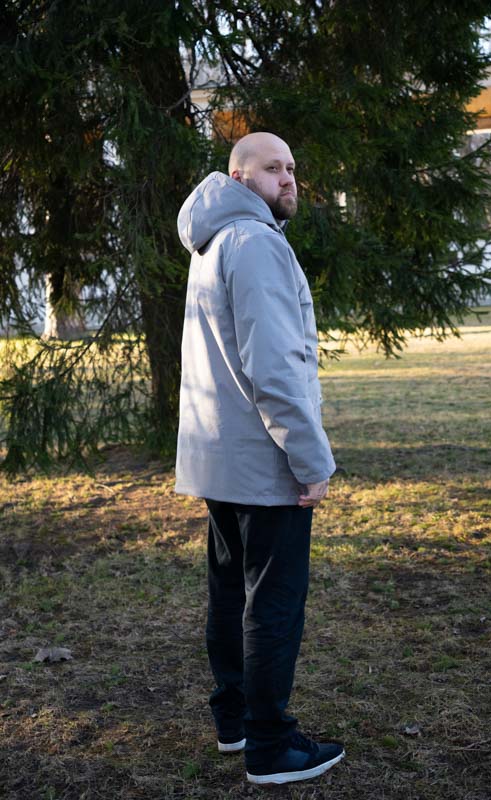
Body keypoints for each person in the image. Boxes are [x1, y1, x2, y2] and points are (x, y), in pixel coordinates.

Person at [175, 131, 344, 785]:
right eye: (273, 168)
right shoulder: (255, 243)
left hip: (221, 458)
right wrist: (311, 460)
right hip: (263, 460)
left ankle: (235, 721)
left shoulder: (214, 242)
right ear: (240, 178)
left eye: (292, 167)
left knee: (229, 592)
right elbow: (275, 367)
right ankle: (270, 746)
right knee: (273, 601)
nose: (288, 178)